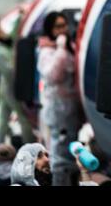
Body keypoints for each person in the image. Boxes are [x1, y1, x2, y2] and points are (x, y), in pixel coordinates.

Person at [37, 12, 84, 186]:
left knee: (71, 153)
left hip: (70, 109)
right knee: (60, 155)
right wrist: (61, 48)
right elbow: (54, 75)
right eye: (58, 26)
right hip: (58, 109)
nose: (63, 29)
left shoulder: (68, 46)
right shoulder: (47, 50)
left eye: (64, 25)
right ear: (50, 29)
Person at [0, 27, 35, 146]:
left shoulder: (0, 50)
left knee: (3, 120)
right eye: (1, 31)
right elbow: (9, 73)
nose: (5, 32)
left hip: (5, 89)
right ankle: (31, 147)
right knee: (23, 118)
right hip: (10, 90)